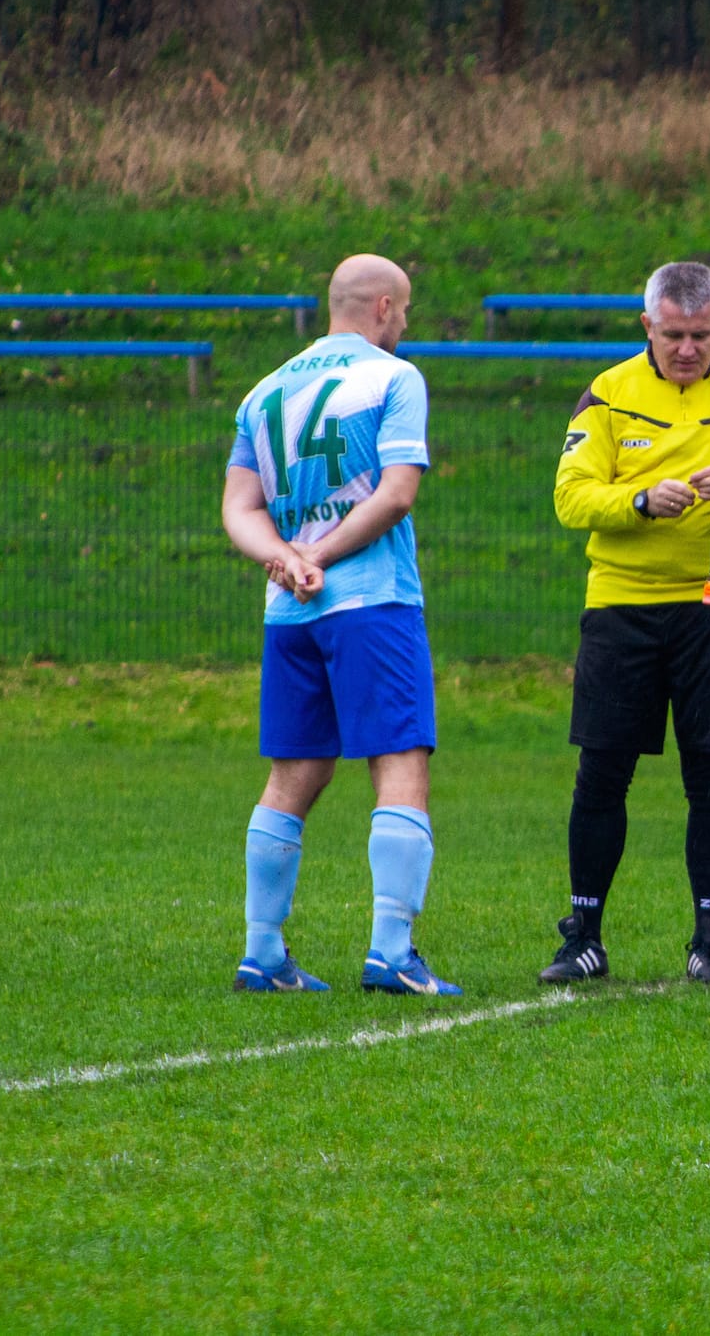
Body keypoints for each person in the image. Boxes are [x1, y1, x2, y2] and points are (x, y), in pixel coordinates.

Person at [543, 262, 710, 986]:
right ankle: (583, 937)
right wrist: (636, 502)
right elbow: (571, 496)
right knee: (602, 772)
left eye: (698, 335)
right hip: (621, 603)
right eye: (671, 335)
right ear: (646, 327)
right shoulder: (607, 392)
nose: (685, 349)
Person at [222, 253, 460, 997]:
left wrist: (288, 560)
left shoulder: (263, 391)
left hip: (290, 609)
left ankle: (262, 953)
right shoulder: (394, 378)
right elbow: (395, 494)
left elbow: (239, 507)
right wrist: (321, 553)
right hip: (372, 600)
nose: (408, 325)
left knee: (293, 773)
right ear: (384, 307)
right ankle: (391, 951)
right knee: (401, 762)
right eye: (408, 310)